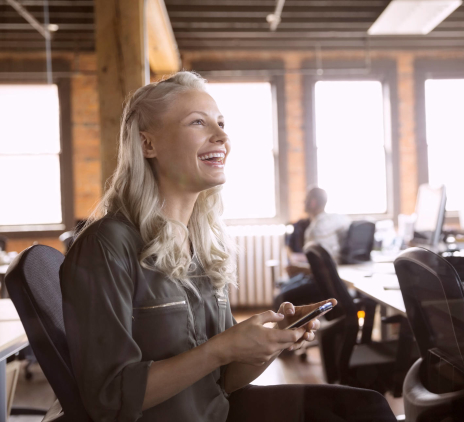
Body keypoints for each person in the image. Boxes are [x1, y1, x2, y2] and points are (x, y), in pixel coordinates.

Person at [60, 71, 396, 422]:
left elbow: (226, 381)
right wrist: (219, 350)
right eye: (198, 123)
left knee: (366, 408)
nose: (222, 136)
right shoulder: (105, 246)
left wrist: (272, 341)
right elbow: (108, 399)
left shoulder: (201, 243)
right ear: (148, 145)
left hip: (217, 412)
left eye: (221, 124)